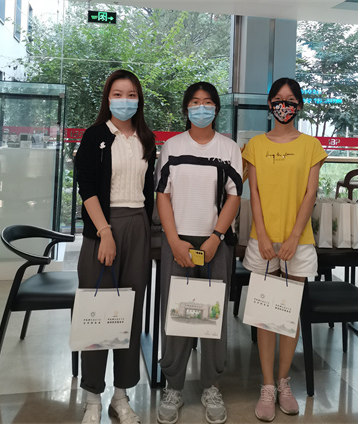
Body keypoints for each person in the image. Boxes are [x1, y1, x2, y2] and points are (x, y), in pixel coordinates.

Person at [155, 82, 243, 424]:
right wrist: (174, 240)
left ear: (216, 109)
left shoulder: (228, 149)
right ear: (186, 108)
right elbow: (162, 194)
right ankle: (173, 385)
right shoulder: (172, 146)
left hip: (214, 244)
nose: (201, 107)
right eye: (195, 102)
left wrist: (216, 237)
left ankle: (211, 385)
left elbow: (234, 196)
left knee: (211, 316)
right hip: (177, 242)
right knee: (176, 313)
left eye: (207, 102)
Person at [241, 77, 327, 422]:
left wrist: (292, 237)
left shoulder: (311, 146)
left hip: (298, 242)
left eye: (290, 100)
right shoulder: (255, 146)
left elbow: (310, 194)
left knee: (288, 315)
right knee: (265, 315)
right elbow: (254, 192)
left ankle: (284, 382)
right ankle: (266, 386)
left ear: (299, 106)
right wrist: (262, 234)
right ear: (269, 104)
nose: (284, 105)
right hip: (262, 240)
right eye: (278, 99)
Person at [75, 69, 156, 424]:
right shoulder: (95, 136)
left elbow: (149, 189)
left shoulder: (146, 139)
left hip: (138, 226)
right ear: (108, 98)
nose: (125, 100)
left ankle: (121, 396)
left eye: (131, 94)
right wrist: (104, 232)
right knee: (98, 312)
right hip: (103, 230)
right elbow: (87, 187)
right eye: (118, 94)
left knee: (130, 314)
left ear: (139, 99)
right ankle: (93, 397)